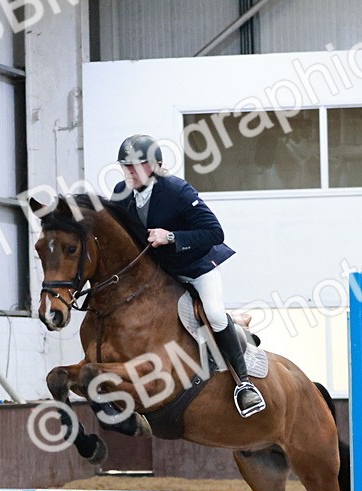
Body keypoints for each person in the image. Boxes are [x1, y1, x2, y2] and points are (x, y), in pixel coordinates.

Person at [110, 133, 265, 418]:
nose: (130, 172)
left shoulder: (178, 191)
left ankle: (244, 384)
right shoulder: (121, 192)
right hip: (158, 277)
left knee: (215, 315)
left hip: (195, 269)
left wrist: (170, 236)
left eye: (137, 165)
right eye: (126, 166)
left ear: (156, 165)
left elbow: (215, 233)